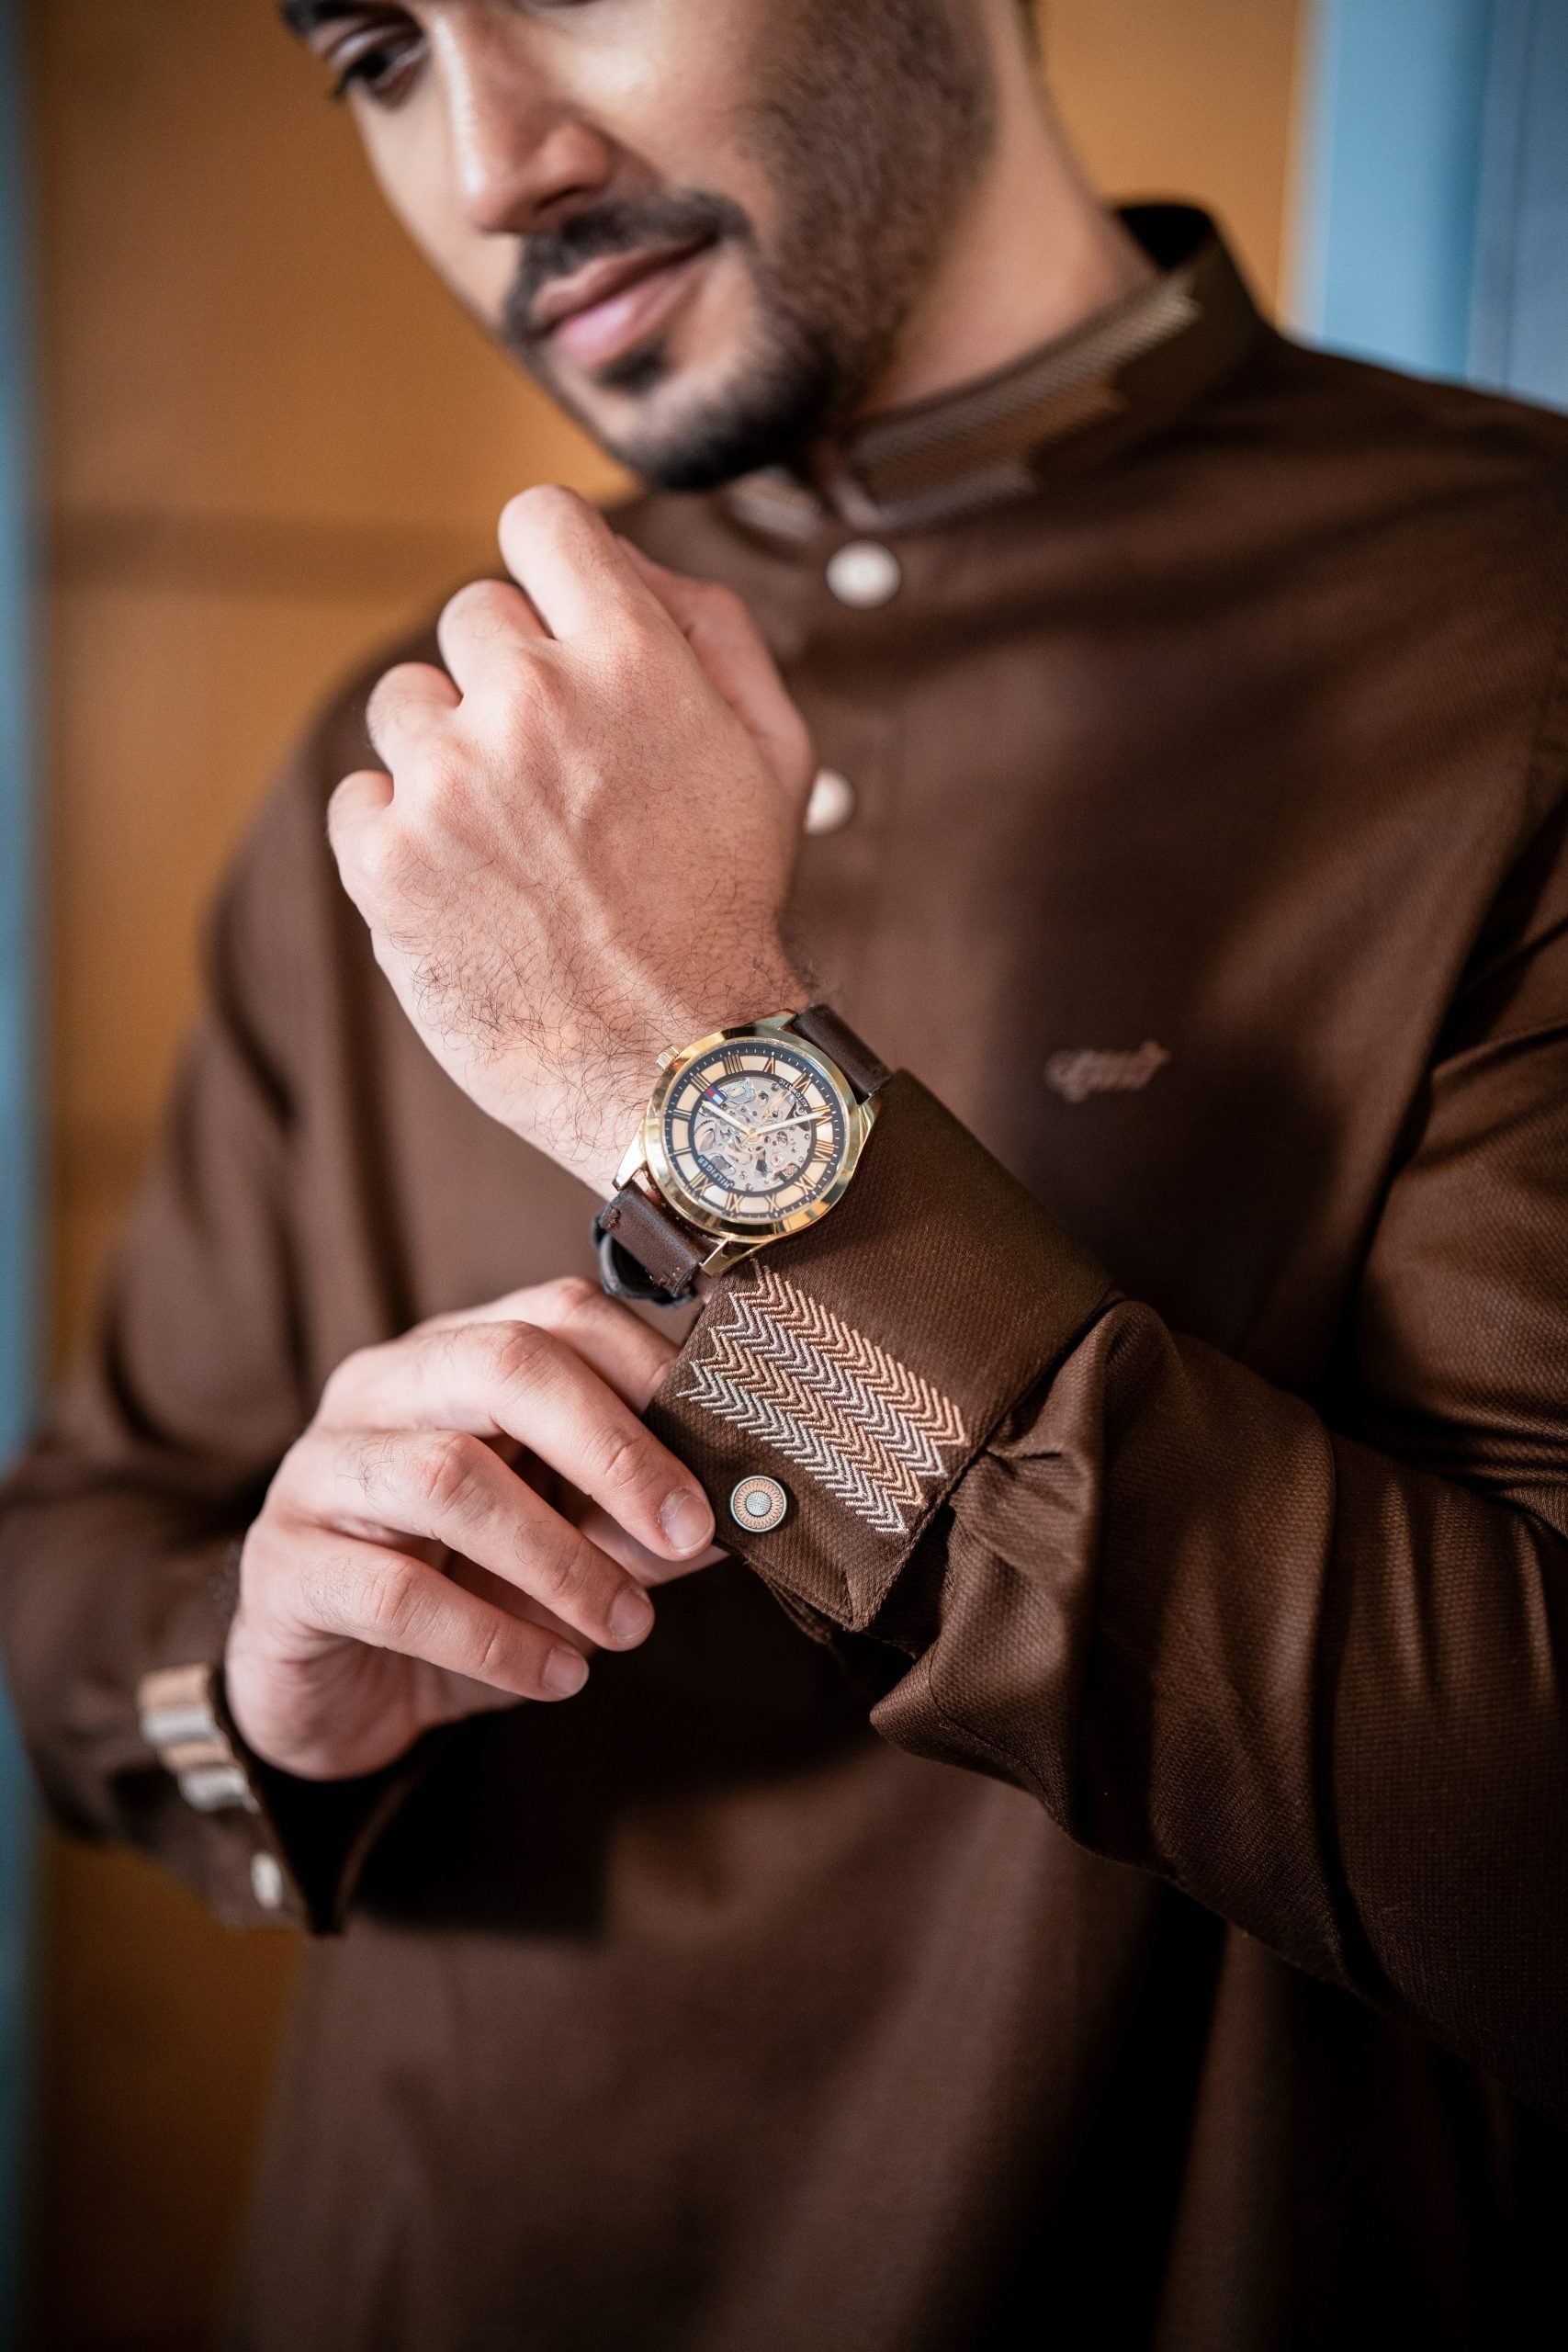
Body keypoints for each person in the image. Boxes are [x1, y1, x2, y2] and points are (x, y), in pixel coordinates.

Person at [5, 0, 1568, 2343]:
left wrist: (686, 1085)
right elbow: (76, 1573)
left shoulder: (1521, 642)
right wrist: (254, 1679)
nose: (490, 163)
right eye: (374, 57)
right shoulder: (405, 774)